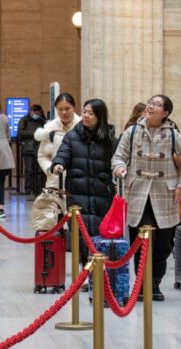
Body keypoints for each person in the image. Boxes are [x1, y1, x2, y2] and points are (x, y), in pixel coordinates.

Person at [112, 94, 181, 301]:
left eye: (156, 105)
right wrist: (120, 167)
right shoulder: (131, 132)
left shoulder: (173, 134)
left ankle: (155, 282)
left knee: (163, 245)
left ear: (165, 113)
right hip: (137, 193)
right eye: (150, 102)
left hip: (164, 195)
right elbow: (118, 156)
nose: (151, 106)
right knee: (141, 241)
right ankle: (142, 286)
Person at [51, 99, 116, 265]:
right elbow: (63, 153)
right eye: (85, 111)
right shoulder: (72, 136)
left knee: (100, 233)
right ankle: (85, 270)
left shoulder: (109, 139)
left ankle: (99, 272)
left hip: (102, 193)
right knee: (80, 234)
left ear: (100, 116)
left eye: (90, 113)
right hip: (77, 193)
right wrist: (58, 164)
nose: (85, 115)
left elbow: (118, 160)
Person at [34, 93, 82, 189]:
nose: (64, 112)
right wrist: (50, 169)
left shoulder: (82, 127)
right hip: (55, 181)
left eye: (67, 109)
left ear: (74, 108)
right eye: (60, 109)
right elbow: (42, 155)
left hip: (79, 181)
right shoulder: (49, 128)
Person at [17, 104, 45, 194]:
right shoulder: (24, 120)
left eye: (39, 113)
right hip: (28, 149)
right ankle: (28, 189)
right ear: (31, 112)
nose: (37, 115)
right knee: (29, 170)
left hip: (40, 148)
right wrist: (35, 133)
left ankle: (37, 189)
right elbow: (20, 133)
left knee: (39, 171)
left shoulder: (42, 120)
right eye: (36, 113)